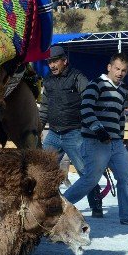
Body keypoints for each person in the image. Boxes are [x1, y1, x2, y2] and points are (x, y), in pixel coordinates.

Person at [64, 52, 128, 227]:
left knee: (125, 177)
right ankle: (59, 206)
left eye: (124, 70)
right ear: (109, 67)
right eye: (117, 68)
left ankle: (127, 215)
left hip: (115, 143)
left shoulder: (123, 91)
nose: (120, 73)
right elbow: (85, 109)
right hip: (95, 141)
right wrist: (98, 130)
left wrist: (120, 137)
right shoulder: (96, 85)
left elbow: (120, 117)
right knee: (90, 180)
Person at [39, 45, 103, 218]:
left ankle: (96, 205)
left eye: (54, 61)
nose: (51, 65)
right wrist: (37, 127)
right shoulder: (48, 80)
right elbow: (44, 107)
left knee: (85, 172)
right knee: (43, 171)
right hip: (53, 134)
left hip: (74, 133)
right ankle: (45, 206)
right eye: (49, 62)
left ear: (64, 61)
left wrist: (93, 126)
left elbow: (90, 101)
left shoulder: (78, 77)